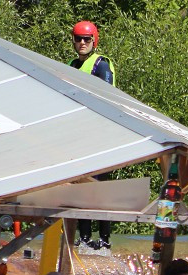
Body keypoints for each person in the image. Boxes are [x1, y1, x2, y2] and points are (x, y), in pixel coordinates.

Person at [69, 20, 116, 250]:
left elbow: (106, 95)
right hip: (80, 136)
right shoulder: (71, 65)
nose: (82, 43)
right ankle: (85, 238)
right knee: (81, 188)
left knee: (99, 189)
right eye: (78, 38)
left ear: (94, 41)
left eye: (86, 39)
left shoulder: (101, 65)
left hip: (101, 135)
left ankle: (105, 240)